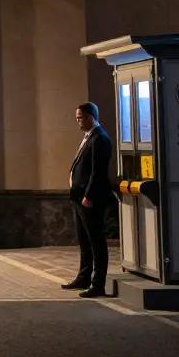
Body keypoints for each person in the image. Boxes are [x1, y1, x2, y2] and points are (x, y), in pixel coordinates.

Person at [63, 102, 115, 298]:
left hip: (88, 199)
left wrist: (88, 196)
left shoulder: (100, 139)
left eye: (79, 118)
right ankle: (84, 276)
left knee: (96, 242)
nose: (77, 122)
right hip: (78, 198)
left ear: (90, 117)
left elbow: (98, 172)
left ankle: (98, 284)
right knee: (84, 241)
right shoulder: (88, 138)